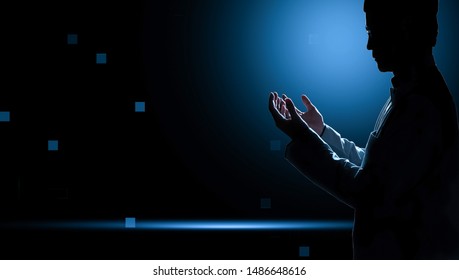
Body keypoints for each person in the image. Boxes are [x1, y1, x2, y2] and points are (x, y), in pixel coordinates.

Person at [269, 0, 459, 259]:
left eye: (373, 33)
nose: (369, 46)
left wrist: (302, 136)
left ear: (405, 28)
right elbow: (378, 170)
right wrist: (320, 132)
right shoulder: (411, 96)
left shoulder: (421, 106)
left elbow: (368, 192)